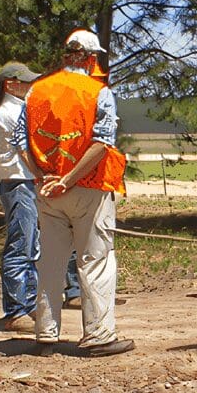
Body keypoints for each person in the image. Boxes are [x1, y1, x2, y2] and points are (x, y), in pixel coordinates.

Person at [17, 29, 134, 357]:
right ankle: (98, 336)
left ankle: (46, 336)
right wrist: (68, 179)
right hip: (88, 188)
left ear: (66, 55)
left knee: (51, 263)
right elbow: (101, 143)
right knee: (94, 260)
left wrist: (42, 177)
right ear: (92, 58)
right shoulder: (98, 92)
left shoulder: (36, 91)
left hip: (47, 189)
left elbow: (20, 142)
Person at [0, 61, 44, 333]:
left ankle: (30, 303)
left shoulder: (12, 109)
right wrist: (40, 173)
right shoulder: (11, 112)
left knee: (31, 246)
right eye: (25, 81)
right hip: (20, 182)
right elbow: (25, 149)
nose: (30, 85)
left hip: (21, 182)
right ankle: (15, 309)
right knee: (21, 246)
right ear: (11, 84)